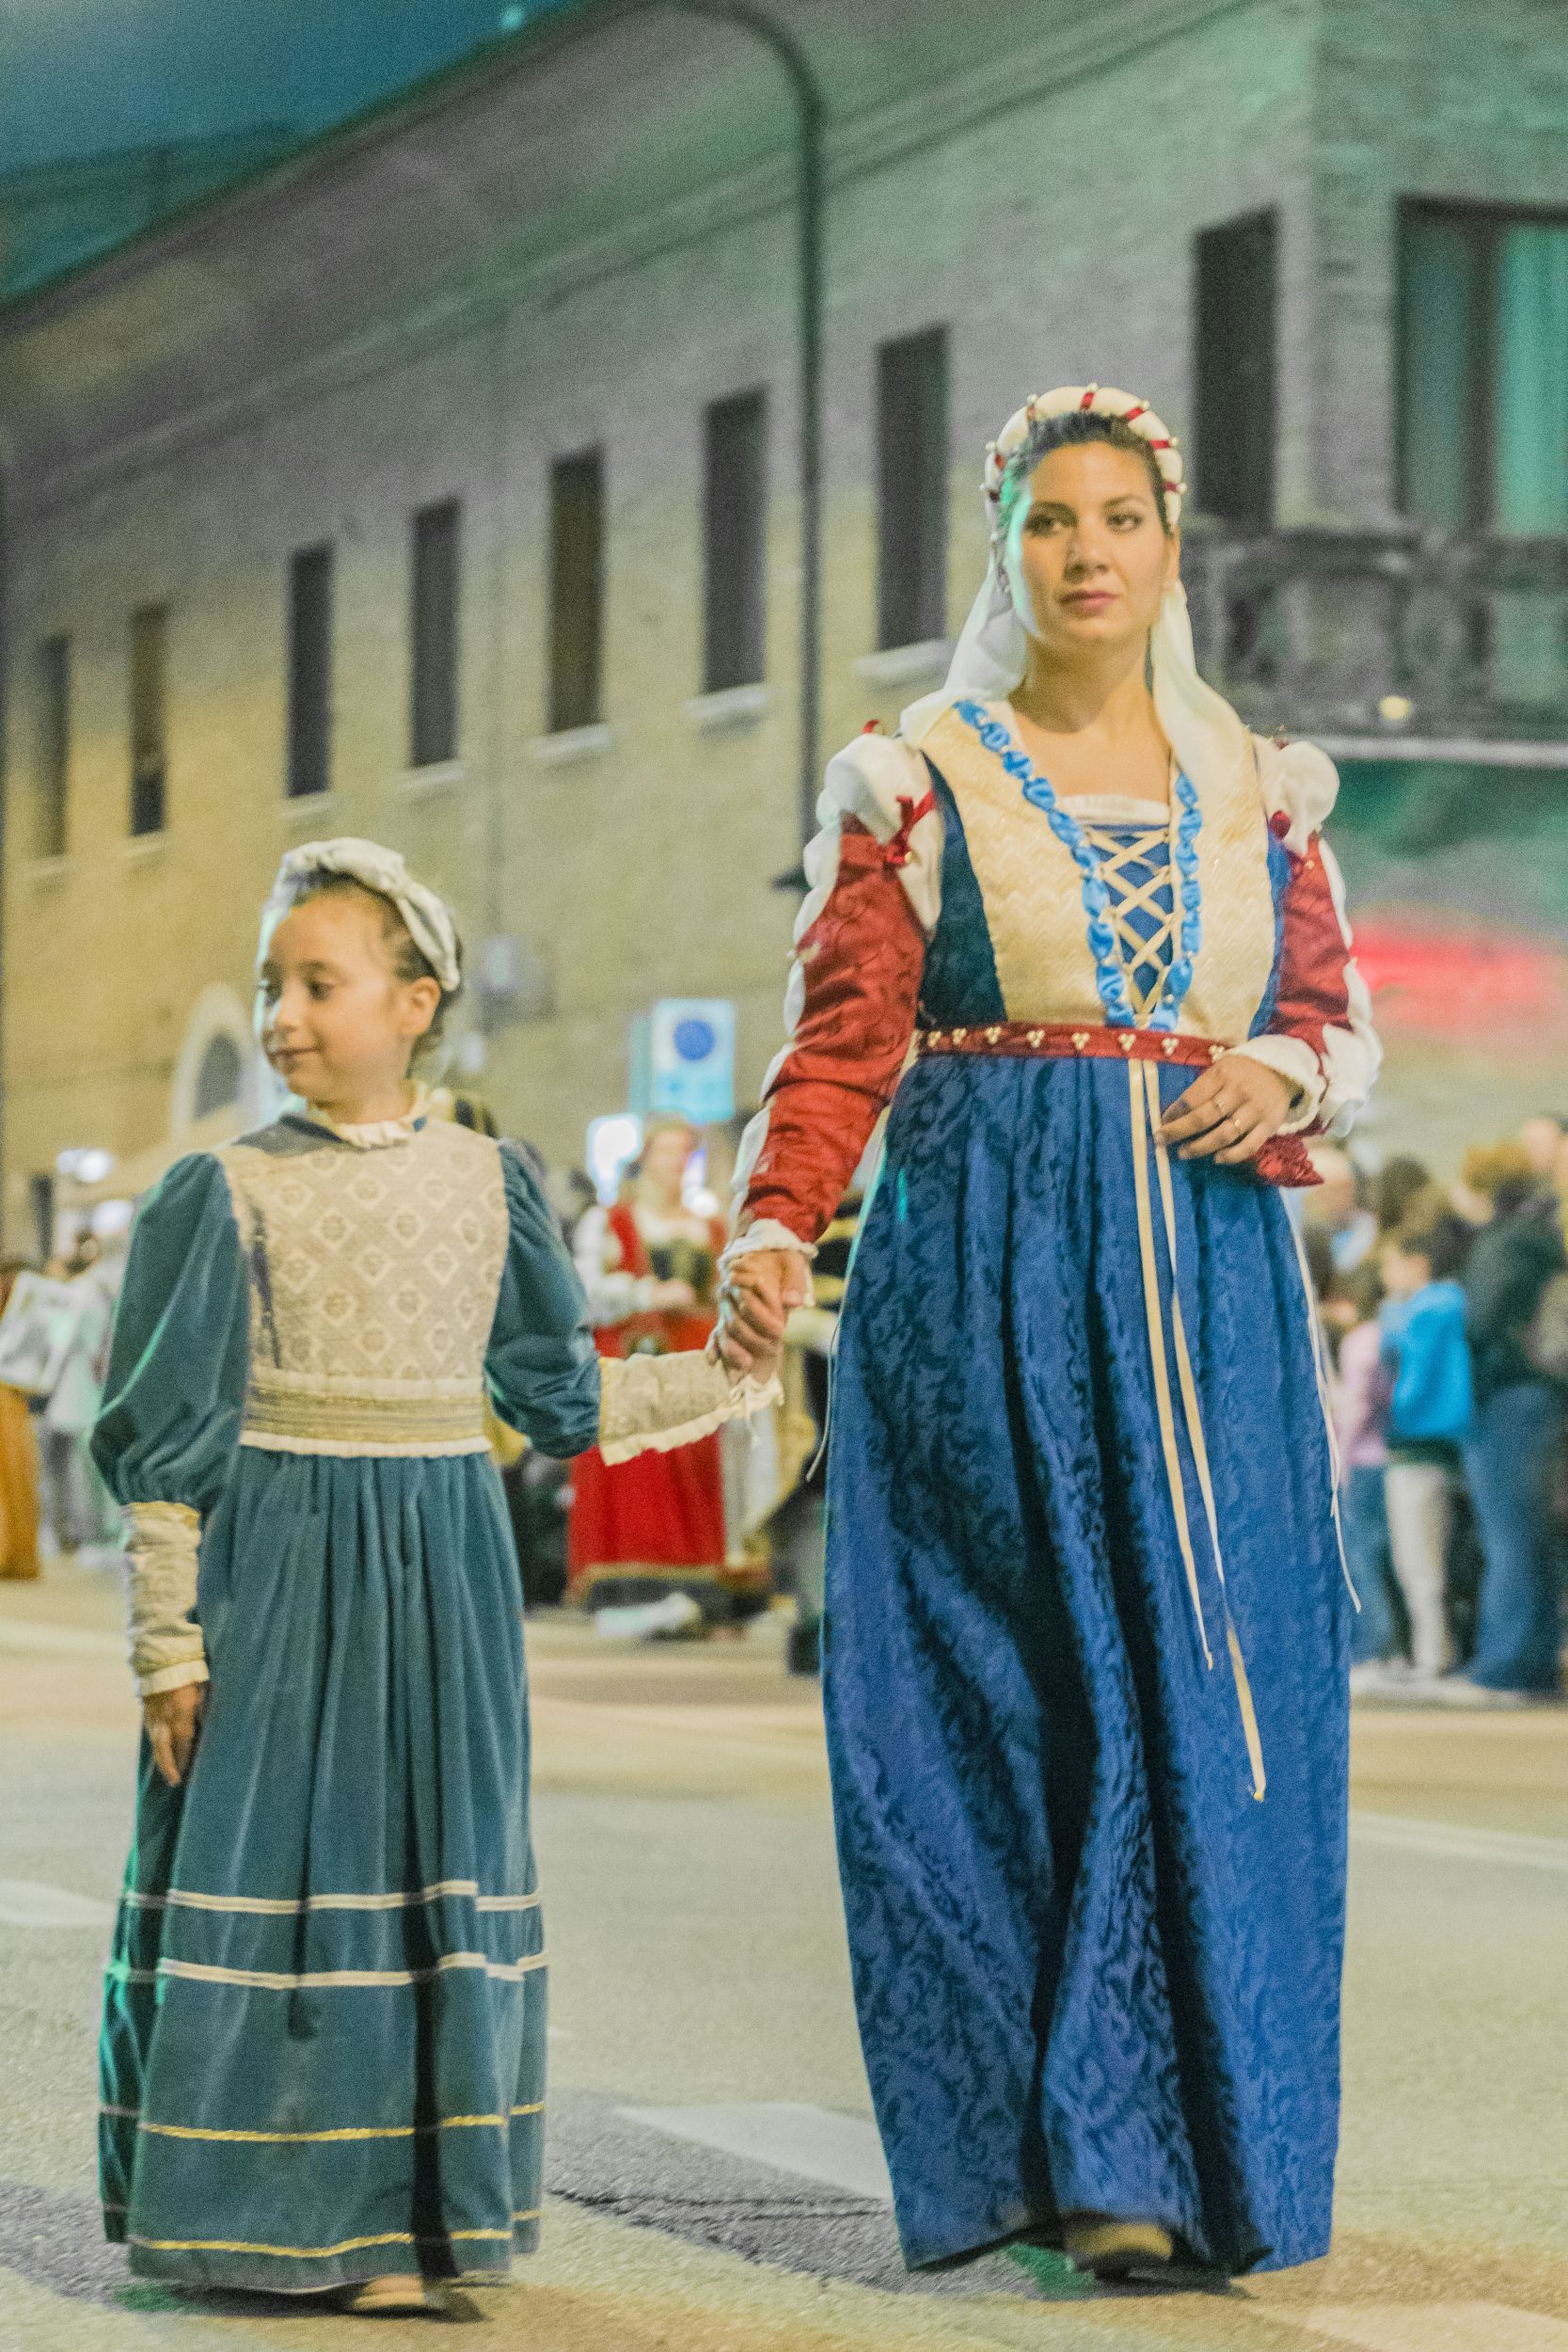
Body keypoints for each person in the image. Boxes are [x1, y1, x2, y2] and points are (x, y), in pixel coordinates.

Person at [719, 384, 1379, 2282]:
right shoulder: (916, 777)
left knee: (1200, 1697)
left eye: (1116, 517)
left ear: (1166, 545)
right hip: (970, 1274)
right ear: (998, 544)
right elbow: (839, 1036)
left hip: (1197, 1294)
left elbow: (1334, 1016)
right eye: (1044, 519)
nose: (1084, 550)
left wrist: (1272, 1065)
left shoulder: (1260, 785)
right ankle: (1039, 2137)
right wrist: (775, 1227)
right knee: (996, 1703)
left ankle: (1149, 2144)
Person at [92, 838, 778, 2314]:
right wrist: (168, 1645)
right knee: (289, 1874)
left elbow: (558, 1400)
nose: (282, 1016)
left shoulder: (491, 1182)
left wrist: (721, 1378)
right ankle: (288, 2220)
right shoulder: (219, 1193)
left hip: (444, 1575)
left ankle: (409, 2219)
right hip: (278, 1569)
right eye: (273, 985)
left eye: (316, 985)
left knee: (424, 1879)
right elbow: (166, 1444)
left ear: (415, 1001)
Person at [568, 1118, 746, 1635]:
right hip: (632, 1358)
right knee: (635, 1472)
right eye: (666, 1152)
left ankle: (694, 1592)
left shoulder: (709, 1226)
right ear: (644, 1157)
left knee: (694, 1475)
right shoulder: (611, 1221)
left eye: (683, 1153)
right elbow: (583, 1293)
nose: (674, 1163)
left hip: (696, 1364)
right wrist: (646, 1295)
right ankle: (625, 1591)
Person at [1448, 1144, 1566, 1703]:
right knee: (1537, 1540)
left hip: (1508, 1400)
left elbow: (1481, 1320)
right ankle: (1533, 1660)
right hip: (1542, 1397)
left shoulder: (1503, 1243)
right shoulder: (1542, 1239)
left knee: (1510, 1538)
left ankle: (1504, 1666)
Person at [1375, 1203, 1475, 1684]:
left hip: (1418, 1443)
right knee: (1443, 1556)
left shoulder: (1423, 1311)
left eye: (1390, 1263)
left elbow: (1409, 1381)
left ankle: (1432, 1656)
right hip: (1451, 1442)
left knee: (1419, 1557)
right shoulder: (1451, 1305)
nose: (1384, 1274)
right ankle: (1437, 1652)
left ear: (1418, 1263)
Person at [1328, 1262, 1399, 1680]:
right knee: (1379, 1553)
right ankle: (1389, 1644)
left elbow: (1357, 1407)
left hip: (1360, 1462)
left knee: (1359, 1556)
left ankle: (1372, 1643)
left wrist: (1339, 1456)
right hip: (1388, 1458)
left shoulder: (1359, 1342)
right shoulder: (1387, 1335)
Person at [0, 1257, 42, 1581]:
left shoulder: (30, 1318)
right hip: (11, 1404)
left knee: (16, 1479)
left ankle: (17, 1555)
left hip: (12, 1403)